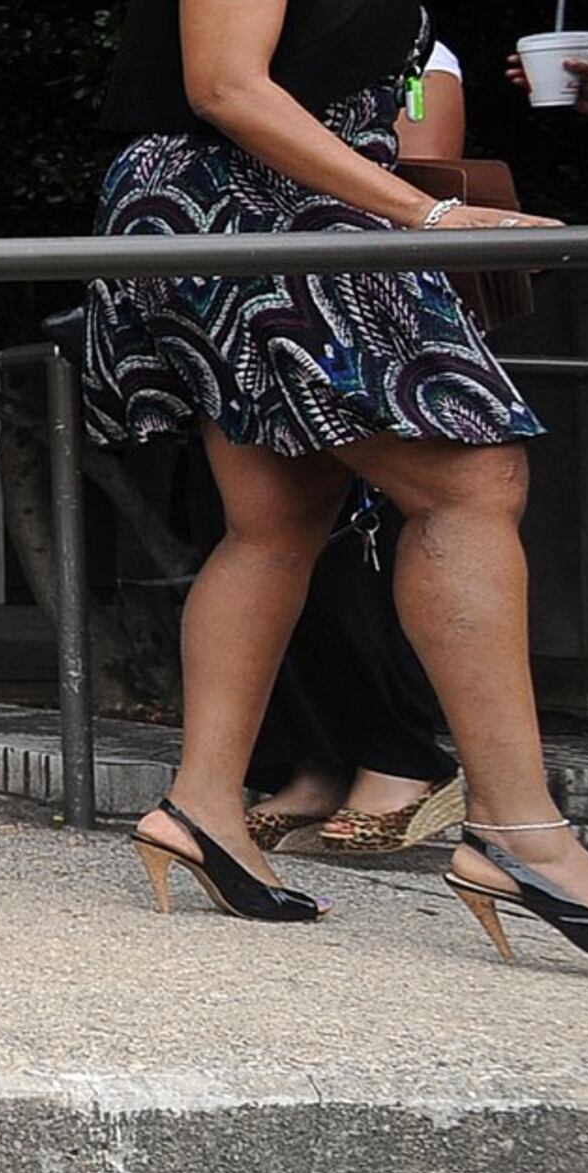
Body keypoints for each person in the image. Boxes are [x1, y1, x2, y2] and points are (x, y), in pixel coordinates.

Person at [81, 0, 588, 964]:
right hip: (251, 219)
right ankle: (522, 830)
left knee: (278, 518)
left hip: (255, 226)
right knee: (472, 478)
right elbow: (227, 86)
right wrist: (423, 218)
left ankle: (203, 806)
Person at [243, 42, 464, 857]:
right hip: (264, 311)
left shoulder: (409, 52)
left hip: (365, 314)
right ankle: (312, 762)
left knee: (361, 544)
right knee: (271, 540)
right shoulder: (243, 52)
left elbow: (426, 180)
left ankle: (398, 757)